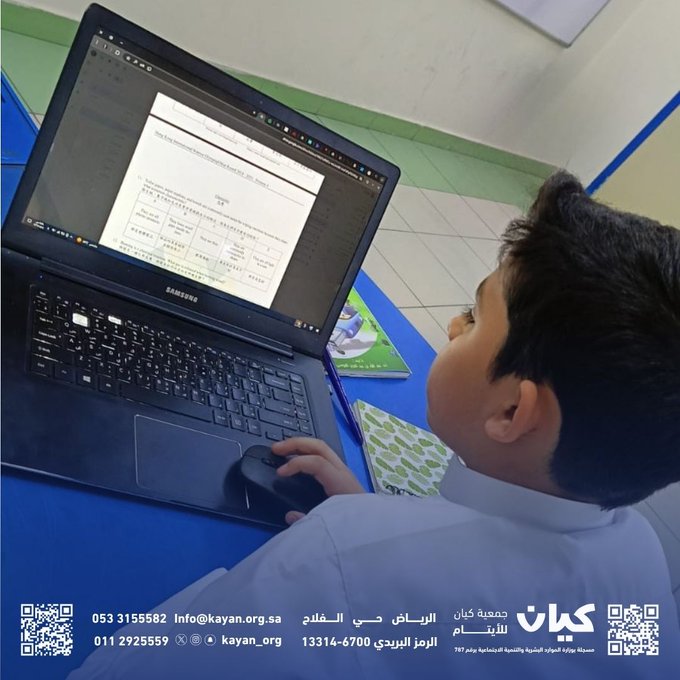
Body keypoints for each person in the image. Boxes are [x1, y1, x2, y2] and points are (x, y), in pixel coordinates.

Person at [69, 171, 680, 679]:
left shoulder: (343, 559)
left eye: (474, 316)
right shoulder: (640, 559)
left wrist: (357, 536)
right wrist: (376, 520)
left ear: (511, 413)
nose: (453, 327)